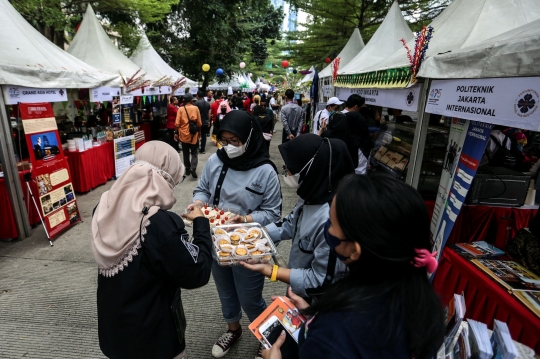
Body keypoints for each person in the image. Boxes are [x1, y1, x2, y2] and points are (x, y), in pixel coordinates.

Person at [262, 173, 445, 359]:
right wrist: (313, 317)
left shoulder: (333, 335)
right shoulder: (422, 304)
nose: (326, 227)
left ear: (354, 250)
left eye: (331, 223)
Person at [91, 141, 213, 359]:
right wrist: (201, 225)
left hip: (114, 331)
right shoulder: (157, 223)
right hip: (153, 337)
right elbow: (197, 272)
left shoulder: (103, 206)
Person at [187, 110, 282, 359]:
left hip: (247, 245)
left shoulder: (265, 171)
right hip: (215, 240)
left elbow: (273, 213)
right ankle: (234, 329)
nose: (228, 147)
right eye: (224, 140)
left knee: (250, 299)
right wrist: (198, 204)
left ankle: (269, 338)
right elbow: (203, 189)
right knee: (226, 292)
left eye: (235, 141)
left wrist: (247, 219)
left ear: (249, 139)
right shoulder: (216, 160)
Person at [242, 134, 354, 304]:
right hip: (298, 290)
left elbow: (321, 280)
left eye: (290, 167)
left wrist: (272, 271)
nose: (286, 172)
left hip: (317, 303)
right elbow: (291, 222)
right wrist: (255, 234)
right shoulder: (310, 194)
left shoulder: (331, 221)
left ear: (310, 168)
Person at [175, 93, 202, 179]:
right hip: (194, 134)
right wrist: (199, 132)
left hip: (183, 135)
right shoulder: (195, 108)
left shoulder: (180, 109)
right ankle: (193, 168)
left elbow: (177, 123)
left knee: (186, 153)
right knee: (194, 153)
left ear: (184, 101)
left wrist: (176, 133)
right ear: (191, 100)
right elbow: (199, 123)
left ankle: (187, 169)